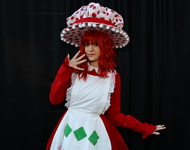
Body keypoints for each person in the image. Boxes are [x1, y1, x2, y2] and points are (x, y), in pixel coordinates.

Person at [46, 2, 166, 150]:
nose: (90, 49)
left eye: (96, 44)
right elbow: (54, 99)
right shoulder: (74, 71)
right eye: (87, 44)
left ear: (105, 47)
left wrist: (144, 127)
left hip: (95, 133)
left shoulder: (113, 77)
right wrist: (66, 69)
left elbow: (115, 115)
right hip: (69, 129)